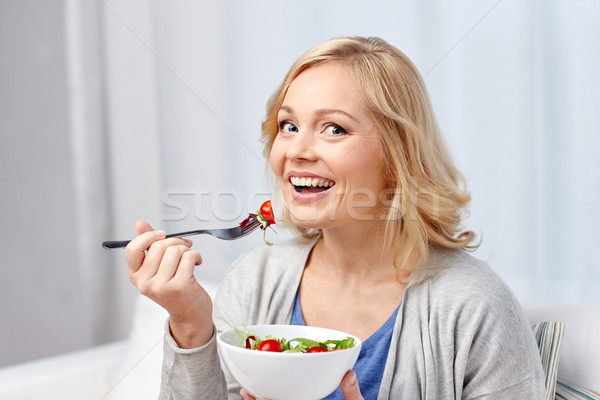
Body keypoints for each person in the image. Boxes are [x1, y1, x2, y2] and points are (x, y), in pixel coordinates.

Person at [126, 36, 546, 399]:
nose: (296, 150)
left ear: (398, 157)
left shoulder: (474, 306)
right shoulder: (257, 277)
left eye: (334, 129)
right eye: (288, 125)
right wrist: (190, 325)